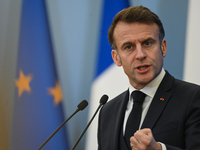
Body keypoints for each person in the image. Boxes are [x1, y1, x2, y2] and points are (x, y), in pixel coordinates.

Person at [97, 5, 200, 150]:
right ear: (116, 58)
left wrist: (159, 149)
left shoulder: (193, 98)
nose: (140, 55)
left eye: (147, 43)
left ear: (163, 47)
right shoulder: (107, 111)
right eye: (128, 47)